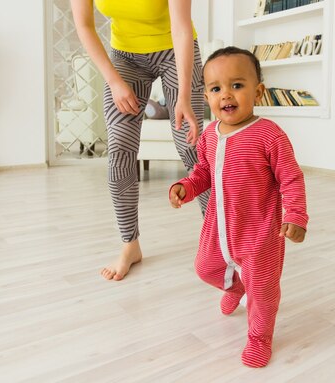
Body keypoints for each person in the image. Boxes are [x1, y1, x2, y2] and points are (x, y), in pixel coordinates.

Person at [168, 46, 309, 368]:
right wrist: (185, 188)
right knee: (205, 268)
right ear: (207, 97)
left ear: (257, 91)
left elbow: (291, 178)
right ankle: (235, 285)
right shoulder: (209, 135)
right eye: (217, 89)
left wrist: (296, 216)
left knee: (262, 291)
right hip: (219, 228)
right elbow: (202, 172)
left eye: (237, 85)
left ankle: (260, 337)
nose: (226, 95)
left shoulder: (269, 135)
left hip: (261, 231)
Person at [70, 0, 209, 281]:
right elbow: (84, 26)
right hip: (126, 56)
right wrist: (114, 81)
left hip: (175, 49)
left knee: (190, 145)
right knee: (120, 148)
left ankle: (219, 237)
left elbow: (181, 28)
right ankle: (130, 244)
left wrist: (183, 98)